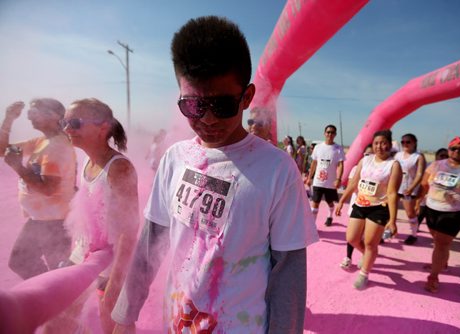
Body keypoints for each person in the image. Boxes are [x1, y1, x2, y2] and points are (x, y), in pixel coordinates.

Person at [111, 16, 318, 333]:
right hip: (179, 322)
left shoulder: (277, 170)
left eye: (221, 105)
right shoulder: (174, 159)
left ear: (246, 98)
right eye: (193, 105)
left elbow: (287, 273)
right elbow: (151, 243)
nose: (207, 118)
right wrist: (125, 314)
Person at [45, 98, 139, 333]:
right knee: (57, 322)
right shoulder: (87, 160)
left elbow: (128, 232)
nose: (67, 129)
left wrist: (115, 284)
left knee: (113, 326)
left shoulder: (119, 168)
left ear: (103, 127)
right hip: (84, 256)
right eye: (64, 122)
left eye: (74, 123)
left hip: (110, 264)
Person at [0, 99, 76, 279]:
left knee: (57, 274)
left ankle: (58, 302)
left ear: (54, 116)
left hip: (54, 222)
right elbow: (2, 150)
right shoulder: (43, 140)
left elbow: (48, 188)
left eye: (35, 113)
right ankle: (50, 299)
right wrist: (9, 119)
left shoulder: (56, 146)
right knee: (22, 262)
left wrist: (18, 167)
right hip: (40, 220)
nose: (29, 117)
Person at [335, 130, 402, 290]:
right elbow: (353, 183)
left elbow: (392, 193)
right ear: (373, 144)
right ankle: (368, 256)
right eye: (376, 142)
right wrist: (341, 201)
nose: (379, 146)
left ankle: (364, 274)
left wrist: (392, 220)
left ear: (389, 144)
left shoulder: (393, 165)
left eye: (383, 142)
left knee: (371, 243)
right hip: (360, 204)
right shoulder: (365, 160)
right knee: (352, 238)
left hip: (379, 208)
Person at [420, 137, 460, 293]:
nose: (457, 151)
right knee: (439, 242)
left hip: (454, 213)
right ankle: (442, 262)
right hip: (431, 209)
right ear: (448, 149)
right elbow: (423, 185)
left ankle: (433, 276)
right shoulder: (436, 165)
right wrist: (418, 203)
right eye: (454, 148)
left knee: (441, 244)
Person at [340, 144, 373, 270]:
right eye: (366, 154)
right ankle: (348, 257)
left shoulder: (378, 171)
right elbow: (352, 186)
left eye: (372, 155)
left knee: (365, 235)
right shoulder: (355, 168)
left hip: (371, 209)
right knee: (352, 234)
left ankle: (366, 256)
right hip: (356, 205)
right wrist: (342, 201)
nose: (369, 157)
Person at [306, 125, 345, 226]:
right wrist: (309, 177)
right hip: (318, 181)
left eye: (332, 132)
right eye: (328, 132)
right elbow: (314, 163)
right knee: (315, 204)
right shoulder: (318, 147)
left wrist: (338, 179)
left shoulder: (338, 149)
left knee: (330, 202)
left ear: (335, 134)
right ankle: (312, 226)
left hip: (330, 182)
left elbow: (341, 165)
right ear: (324, 133)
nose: (330, 134)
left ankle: (330, 216)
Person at [394, 134, 426, 245]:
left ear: (414, 143)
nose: (405, 144)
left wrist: (411, 187)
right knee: (389, 211)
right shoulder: (397, 155)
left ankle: (413, 234)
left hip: (409, 189)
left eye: (408, 142)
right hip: (395, 187)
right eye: (403, 142)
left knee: (410, 213)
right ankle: (387, 231)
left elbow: (420, 174)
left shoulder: (418, 156)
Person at [416, 148, 448, 229]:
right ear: (436, 156)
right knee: (420, 214)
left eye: (446, 156)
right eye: (441, 156)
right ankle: (414, 232)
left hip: (441, 201)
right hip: (426, 196)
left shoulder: (451, 170)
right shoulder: (430, 166)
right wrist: (418, 200)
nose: (444, 158)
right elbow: (423, 182)